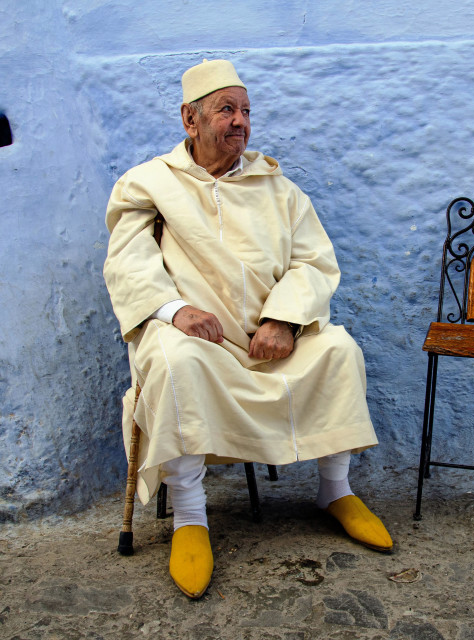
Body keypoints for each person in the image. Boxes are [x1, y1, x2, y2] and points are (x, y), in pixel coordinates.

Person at [103, 59, 392, 599]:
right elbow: (127, 259)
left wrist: (283, 319)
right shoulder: (149, 184)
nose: (240, 122)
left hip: (271, 342)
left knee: (337, 348)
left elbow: (313, 262)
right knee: (174, 361)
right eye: (226, 110)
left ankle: (336, 490)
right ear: (190, 120)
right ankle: (191, 518)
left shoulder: (276, 188)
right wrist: (172, 311)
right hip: (202, 341)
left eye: (246, 111)